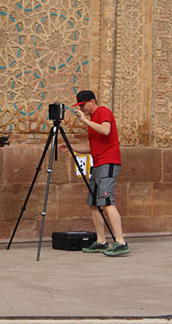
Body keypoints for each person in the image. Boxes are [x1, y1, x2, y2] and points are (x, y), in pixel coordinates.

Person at [63, 89, 129, 256]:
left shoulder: (102, 111)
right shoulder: (94, 121)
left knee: (107, 201)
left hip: (108, 162)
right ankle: (101, 240)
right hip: (98, 163)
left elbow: (106, 130)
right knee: (93, 202)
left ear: (92, 101)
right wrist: (70, 148)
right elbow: (91, 147)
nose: (82, 108)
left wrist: (85, 121)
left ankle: (120, 242)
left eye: (83, 105)